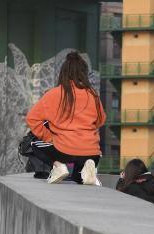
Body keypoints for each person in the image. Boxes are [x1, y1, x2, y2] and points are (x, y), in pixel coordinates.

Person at [26, 51, 105, 185]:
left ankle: (58, 166)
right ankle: (88, 167)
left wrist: (49, 136)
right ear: (84, 73)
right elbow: (100, 120)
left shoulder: (54, 94)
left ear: (63, 73)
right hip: (92, 152)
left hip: (63, 150)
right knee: (78, 179)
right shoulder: (93, 95)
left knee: (34, 144)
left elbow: (32, 118)